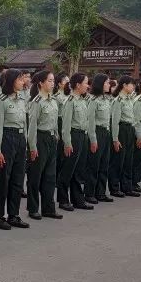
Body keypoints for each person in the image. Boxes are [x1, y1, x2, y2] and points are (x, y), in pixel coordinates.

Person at [0, 68, 30, 231]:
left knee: (17, 178)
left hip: (20, 139)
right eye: (21, 79)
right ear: (12, 80)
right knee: (3, 179)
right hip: (7, 138)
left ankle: (13, 214)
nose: (24, 82)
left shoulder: (22, 99)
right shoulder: (2, 100)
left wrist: (27, 143)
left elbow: (25, 123)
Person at [26, 70, 62, 220]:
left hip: (51, 139)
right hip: (39, 138)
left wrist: (57, 135)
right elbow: (32, 126)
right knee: (36, 175)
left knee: (50, 176)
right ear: (41, 83)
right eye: (49, 81)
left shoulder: (53, 101)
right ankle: (33, 208)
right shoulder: (36, 102)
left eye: (53, 81)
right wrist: (32, 147)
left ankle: (49, 208)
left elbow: (54, 122)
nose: (52, 84)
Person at [57, 73, 92, 211]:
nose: (87, 86)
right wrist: (67, 143)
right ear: (77, 85)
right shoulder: (70, 101)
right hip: (73, 136)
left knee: (79, 170)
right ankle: (63, 200)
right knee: (68, 169)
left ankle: (78, 199)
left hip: (82, 136)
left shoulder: (83, 100)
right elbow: (65, 126)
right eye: (85, 83)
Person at [109, 75, 139, 197]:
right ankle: (114, 187)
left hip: (130, 129)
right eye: (132, 84)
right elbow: (115, 121)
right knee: (118, 160)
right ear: (124, 85)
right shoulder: (118, 101)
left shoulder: (129, 99)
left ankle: (127, 186)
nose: (134, 87)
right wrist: (115, 139)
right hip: (121, 129)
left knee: (128, 159)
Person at [85, 73, 113, 203]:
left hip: (106, 132)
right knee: (93, 165)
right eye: (107, 82)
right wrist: (93, 140)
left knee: (104, 164)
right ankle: (90, 193)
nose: (109, 85)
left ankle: (101, 192)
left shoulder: (107, 99)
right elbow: (90, 122)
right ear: (100, 84)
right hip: (96, 132)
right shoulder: (93, 100)